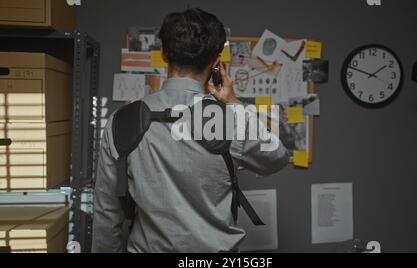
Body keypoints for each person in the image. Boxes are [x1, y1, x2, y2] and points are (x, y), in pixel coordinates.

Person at [92, 8, 290, 253]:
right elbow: (278, 157)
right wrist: (234, 103)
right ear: (217, 62)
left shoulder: (121, 121)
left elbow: (106, 213)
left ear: (163, 53)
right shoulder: (230, 119)